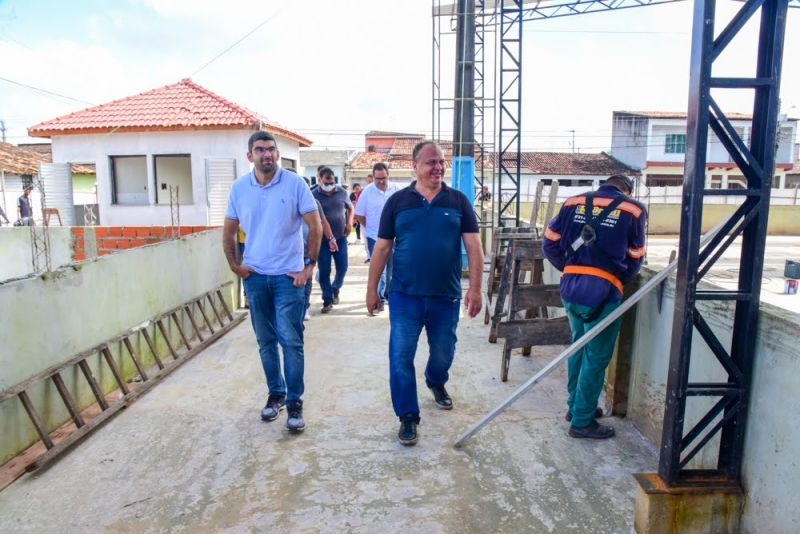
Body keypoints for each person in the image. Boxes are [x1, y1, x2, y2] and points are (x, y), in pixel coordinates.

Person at [366, 141, 483, 446]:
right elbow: (382, 247)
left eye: (441, 162)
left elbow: (473, 247)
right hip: (405, 296)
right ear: (415, 166)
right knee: (400, 356)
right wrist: (371, 289)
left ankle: (436, 380)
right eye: (431, 162)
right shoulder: (398, 202)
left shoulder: (458, 201)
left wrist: (476, 288)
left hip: (445, 296)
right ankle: (407, 416)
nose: (438, 167)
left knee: (444, 351)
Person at [223, 131, 322, 432]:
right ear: (249, 155)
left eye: (271, 149)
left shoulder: (295, 184)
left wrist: (309, 267)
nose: (266, 154)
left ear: (278, 154)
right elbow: (228, 232)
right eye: (260, 149)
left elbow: (315, 225)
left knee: (291, 341)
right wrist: (236, 267)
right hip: (254, 278)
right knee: (265, 342)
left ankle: (294, 402)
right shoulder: (239, 188)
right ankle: (275, 395)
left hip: (287, 278)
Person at [542, 174, 646, 440]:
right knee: (596, 356)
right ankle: (582, 421)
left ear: (603, 186)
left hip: (571, 287)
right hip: (603, 292)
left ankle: (575, 407)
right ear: (626, 189)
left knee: (578, 345)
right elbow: (636, 258)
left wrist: (568, 268)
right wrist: (616, 281)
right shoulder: (633, 209)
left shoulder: (571, 203)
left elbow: (549, 243)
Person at [355, 162, 399, 308]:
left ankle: (387, 295)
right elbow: (359, 215)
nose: (380, 181)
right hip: (375, 236)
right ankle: (378, 298)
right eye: (377, 178)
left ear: (388, 176)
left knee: (391, 268)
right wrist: (370, 228)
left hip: (394, 237)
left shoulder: (397, 191)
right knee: (380, 269)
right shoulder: (367, 192)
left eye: (383, 178)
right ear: (373, 177)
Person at [313, 167, 353, 314]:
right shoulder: (313, 195)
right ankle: (327, 299)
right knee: (324, 271)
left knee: (342, 267)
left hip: (340, 237)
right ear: (319, 180)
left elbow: (350, 208)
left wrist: (349, 222)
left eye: (332, 182)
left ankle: (335, 287)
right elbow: (320, 220)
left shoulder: (341, 192)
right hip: (322, 240)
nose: (330, 185)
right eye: (326, 182)